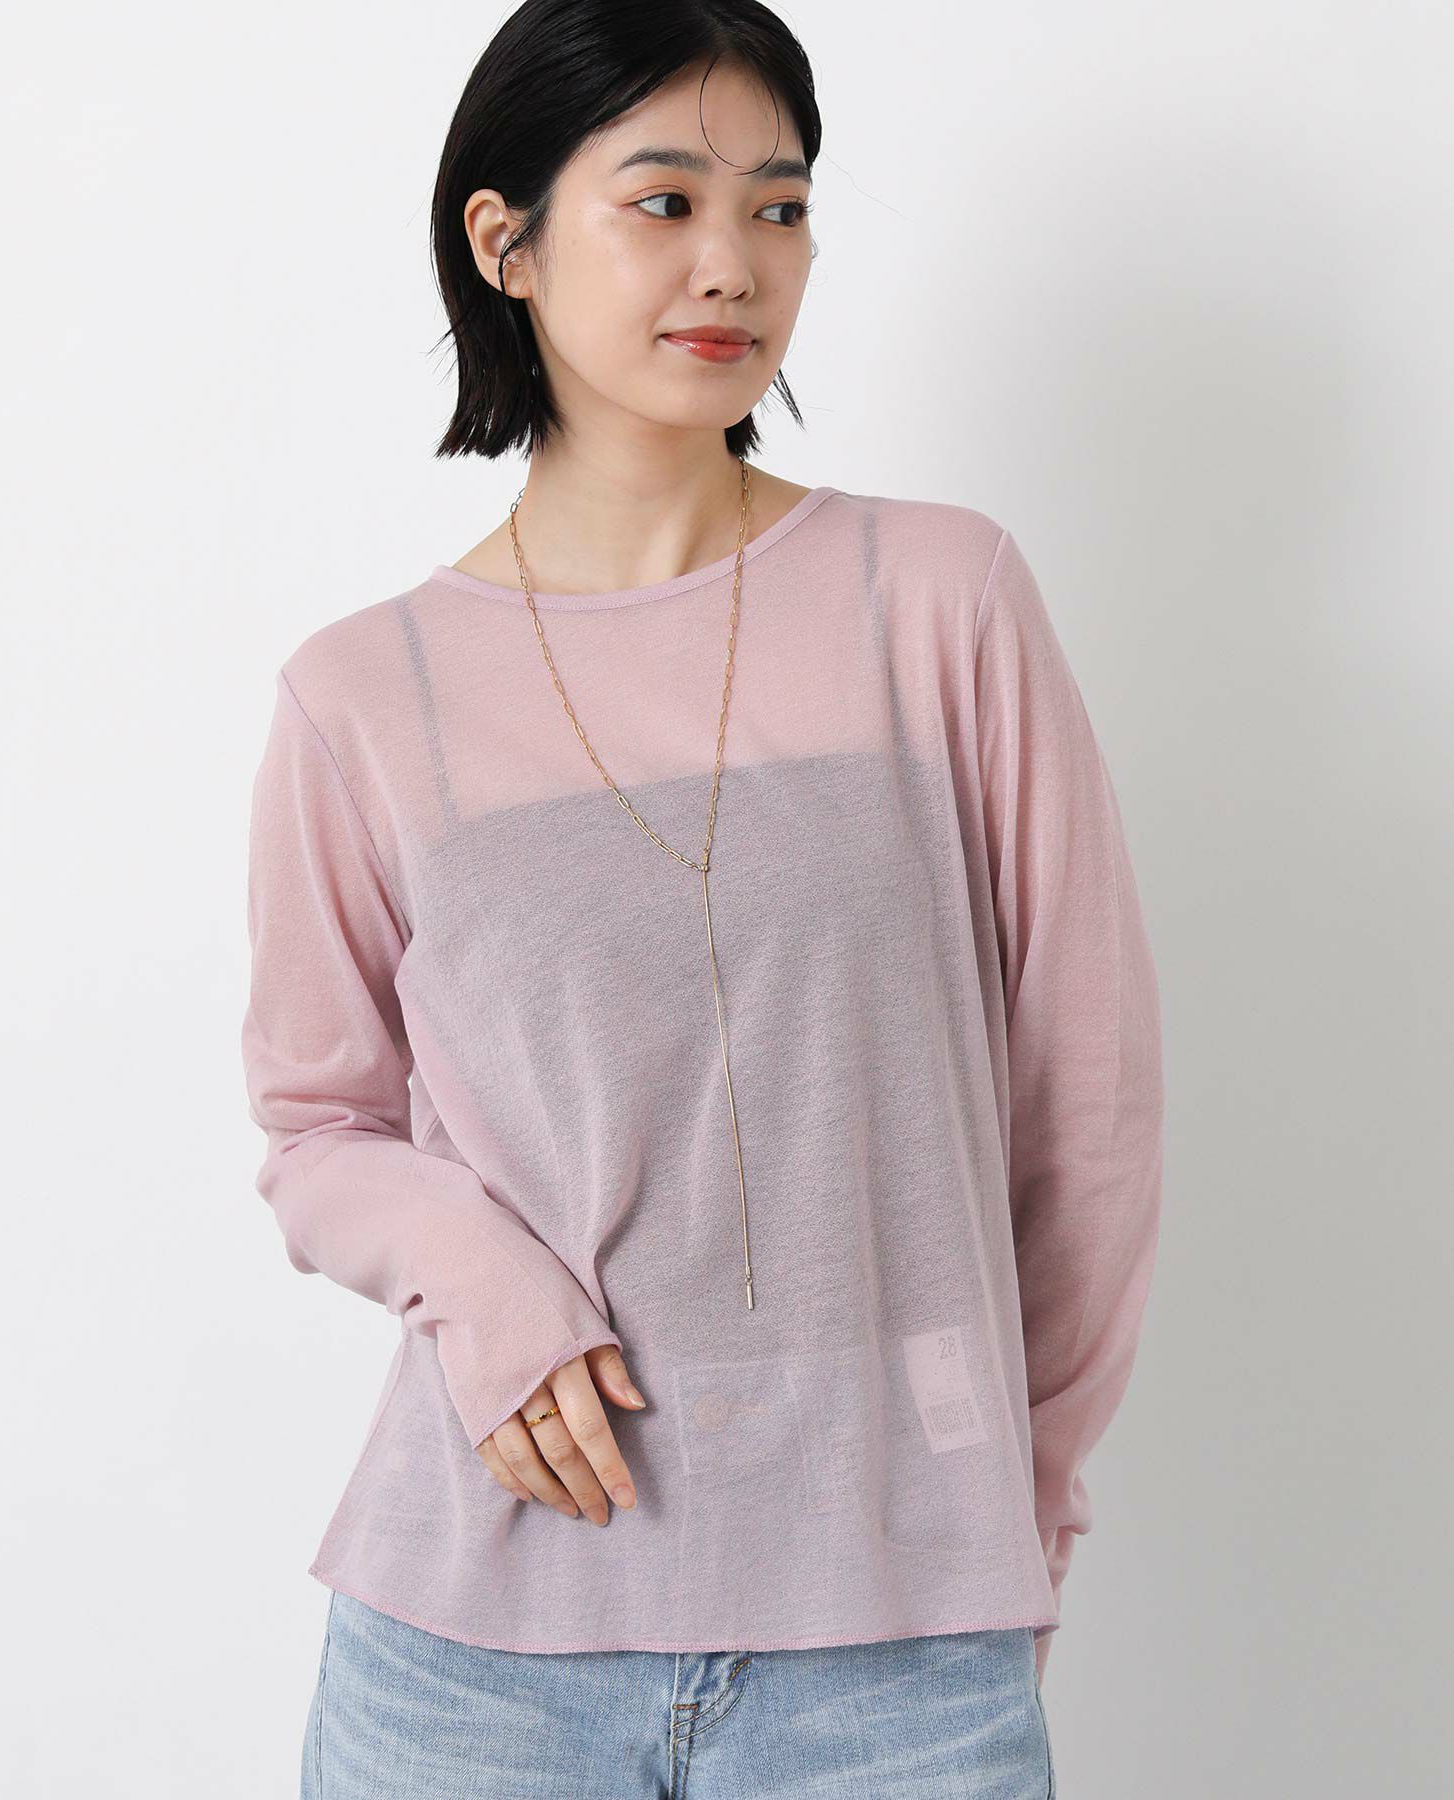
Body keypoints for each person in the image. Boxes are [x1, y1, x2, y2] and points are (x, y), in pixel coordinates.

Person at [240, 3, 1165, 1794]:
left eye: (780, 207)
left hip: (899, 1647)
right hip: (472, 1648)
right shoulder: (365, 696)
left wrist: (1021, 1504)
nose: (733, 263)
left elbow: (1090, 1103)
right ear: (503, 241)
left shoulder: (938, 604)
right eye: (664, 201)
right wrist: (486, 1291)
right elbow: (317, 1125)